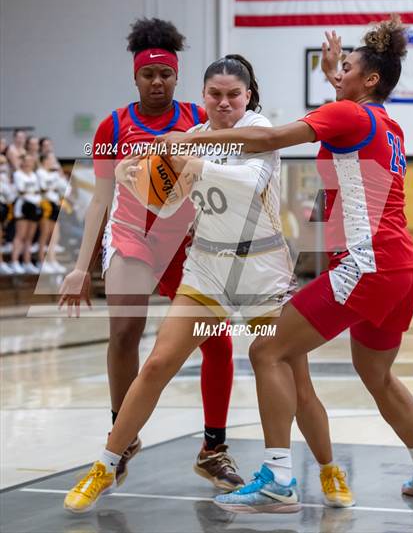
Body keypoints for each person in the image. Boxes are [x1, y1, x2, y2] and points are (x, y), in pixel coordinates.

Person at [64, 54, 353, 514]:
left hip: (261, 267)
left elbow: (248, 180)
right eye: (214, 95)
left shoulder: (261, 131)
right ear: (202, 97)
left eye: (232, 95)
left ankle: (328, 467)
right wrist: (132, 177)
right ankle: (105, 464)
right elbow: (164, 200)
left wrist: (196, 167)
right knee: (158, 362)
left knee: (297, 382)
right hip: (207, 267)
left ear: (248, 96)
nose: (223, 103)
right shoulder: (193, 137)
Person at [153, 16, 413, 512]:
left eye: (347, 68)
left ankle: (278, 480)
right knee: (376, 372)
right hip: (402, 269)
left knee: (266, 351)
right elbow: (343, 108)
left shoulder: (349, 116)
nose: (338, 73)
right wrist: (332, 74)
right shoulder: (387, 123)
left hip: (368, 265)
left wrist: (189, 142)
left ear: (370, 81)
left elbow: (268, 138)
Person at [59, 18, 239, 493]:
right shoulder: (111, 125)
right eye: (148, 75)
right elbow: (99, 197)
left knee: (216, 341)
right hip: (132, 239)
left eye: (165, 75)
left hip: (186, 244)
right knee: (123, 334)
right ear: (135, 77)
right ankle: (124, 434)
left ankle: (213, 449)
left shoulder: (195, 121)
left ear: (177, 76)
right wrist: (80, 267)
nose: (157, 83)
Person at [10, 154, 42, 274]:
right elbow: (21, 190)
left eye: (30, 161)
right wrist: (33, 195)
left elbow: (38, 190)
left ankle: (27, 262)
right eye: (26, 161)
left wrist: (35, 197)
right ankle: (14, 262)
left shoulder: (34, 175)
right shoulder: (17, 174)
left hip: (34, 206)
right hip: (23, 206)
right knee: (20, 235)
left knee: (30, 236)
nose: (28, 163)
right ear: (22, 162)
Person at [37, 152, 67, 273]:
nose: (53, 162)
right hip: (45, 204)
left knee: (55, 235)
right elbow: (43, 188)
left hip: (55, 204)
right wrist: (54, 186)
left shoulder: (54, 174)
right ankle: (41, 260)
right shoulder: (40, 172)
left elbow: (64, 188)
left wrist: (59, 175)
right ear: (44, 161)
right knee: (45, 234)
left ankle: (52, 260)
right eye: (51, 159)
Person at [0, 154, 16, 274]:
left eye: (4, 163)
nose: (3, 166)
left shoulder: (5, 177)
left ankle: (1, 263)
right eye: (1, 164)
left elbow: (10, 195)